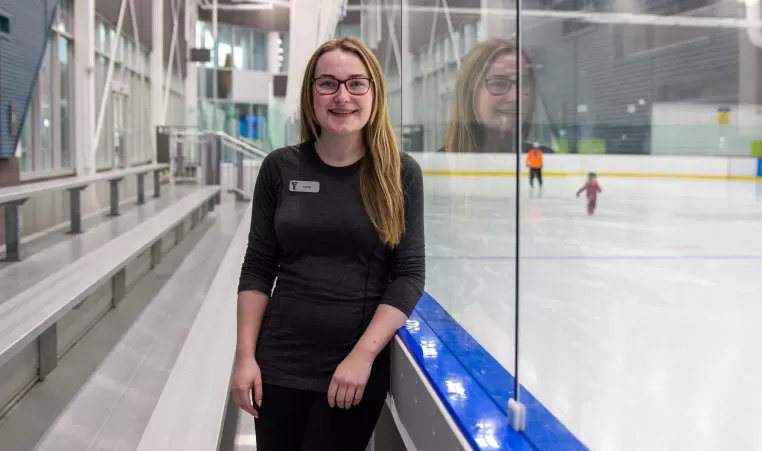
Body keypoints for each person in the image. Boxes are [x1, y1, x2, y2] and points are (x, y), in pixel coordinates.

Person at [231, 36, 426, 451]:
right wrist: (245, 356)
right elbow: (258, 267)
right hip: (278, 364)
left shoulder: (399, 174)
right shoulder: (280, 167)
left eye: (357, 83)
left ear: (374, 93)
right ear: (311, 93)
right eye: (328, 84)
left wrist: (363, 356)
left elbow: (409, 275)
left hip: (351, 371)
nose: (343, 96)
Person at [442, 38, 556, 154]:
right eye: (498, 84)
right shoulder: (437, 165)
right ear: (470, 92)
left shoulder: (546, 161)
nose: (515, 98)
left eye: (522, 84)